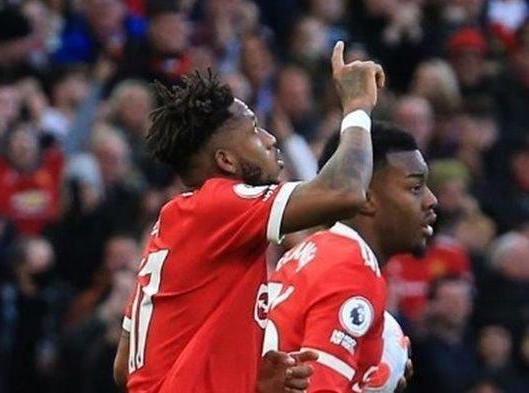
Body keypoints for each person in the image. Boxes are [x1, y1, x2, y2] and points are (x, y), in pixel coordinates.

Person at [115, 41, 386, 393]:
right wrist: (357, 107)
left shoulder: (178, 223)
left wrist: (245, 379)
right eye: (256, 131)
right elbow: (345, 191)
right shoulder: (219, 206)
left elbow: (126, 367)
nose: (272, 140)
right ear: (226, 161)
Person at [263, 123, 437, 392]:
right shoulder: (352, 266)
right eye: (415, 187)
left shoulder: (309, 252)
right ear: (365, 198)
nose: (431, 200)